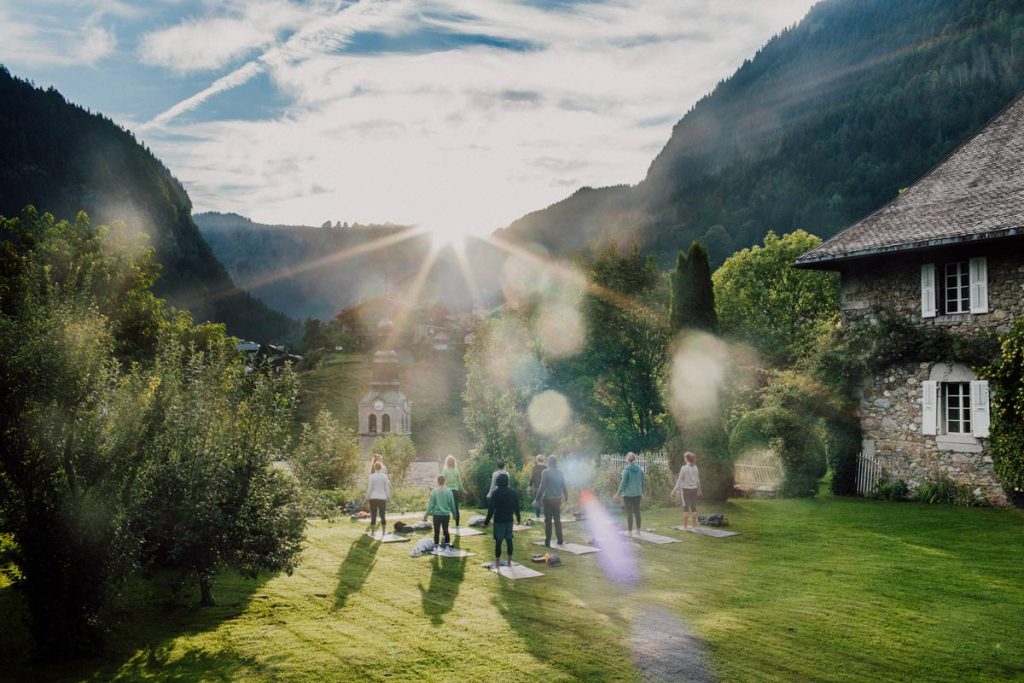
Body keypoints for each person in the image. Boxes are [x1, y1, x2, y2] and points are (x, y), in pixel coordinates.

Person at [482, 472, 521, 568]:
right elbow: (517, 507)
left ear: (497, 483)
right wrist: (518, 519)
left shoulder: (495, 493)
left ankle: (498, 564)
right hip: (509, 520)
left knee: (498, 542)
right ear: (507, 482)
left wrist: (486, 522)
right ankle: (509, 563)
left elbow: (491, 509)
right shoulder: (513, 493)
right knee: (509, 541)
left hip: (499, 521)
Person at [533, 454, 568, 547]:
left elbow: (542, 486)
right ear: (556, 462)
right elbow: (564, 486)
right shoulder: (560, 473)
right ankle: (560, 540)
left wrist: (537, 498)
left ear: (548, 462)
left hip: (547, 500)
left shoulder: (545, 472)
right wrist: (566, 498)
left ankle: (547, 542)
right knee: (557, 520)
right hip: (557, 500)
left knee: (548, 521)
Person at [614, 452, 644, 535]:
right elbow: (642, 481)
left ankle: (630, 531)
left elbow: (623, 483)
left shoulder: (626, 470)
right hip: (638, 493)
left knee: (629, 512)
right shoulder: (639, 469)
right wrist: (642, 491)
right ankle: (638, 531)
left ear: (627, 459)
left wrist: (617, 494)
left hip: (628, 494)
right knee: (637, 511)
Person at [671, 451, 702, 530]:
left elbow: (679, 480)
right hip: (694, 489)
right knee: (694, 507)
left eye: (685, 457)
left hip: (686, 490)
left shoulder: (684, 468)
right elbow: (698, 480)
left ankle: (685, 526)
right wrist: (699, 490)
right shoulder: (695, 467)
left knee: (685, 508)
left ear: (686, 459)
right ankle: (694, 526)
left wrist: (674, 490)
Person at [424, 474, 456, 549]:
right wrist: (454, 514)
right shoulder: (449, 491)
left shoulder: (434, 491)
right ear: (445, 481)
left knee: (436, 531)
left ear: (437, 481)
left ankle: (436, 548)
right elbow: (452, 504)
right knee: (446, 531)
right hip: (446, 515)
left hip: (437, 515)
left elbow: (431, 505)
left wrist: (426, 515)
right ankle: (447, 547)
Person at [365, 460, 391, 537]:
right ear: (381, 468)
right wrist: (389, 498)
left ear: (374, 468)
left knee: (373, 515)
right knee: (383, 515)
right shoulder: (385, 476)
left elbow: (369, 489)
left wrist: (366, 498)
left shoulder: (371, 477)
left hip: (373, 497)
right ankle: (383, 532)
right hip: (382, 498)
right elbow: (387, 489)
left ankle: (373, 532)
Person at [441, 455, 464, 528]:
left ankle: (445, 526)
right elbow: (459, 483)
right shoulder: (456, 470)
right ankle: (457, 525)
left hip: (447, 492)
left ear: (447, 462)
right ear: (454, 462)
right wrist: (463, 490)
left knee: (445, 508)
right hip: (455, 491)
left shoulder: (445, 470)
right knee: (456, 508)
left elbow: (442, 482)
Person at [529, 454, 546, 518]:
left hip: (537, 487)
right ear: (543, 460)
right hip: (545, 488)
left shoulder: (535, 467)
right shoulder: (546, 467)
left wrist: (530, 485)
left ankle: (538, 516)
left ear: (537, 460)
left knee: (537, 502)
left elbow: (532, 477)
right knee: (545, 502)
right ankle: (546, 515)